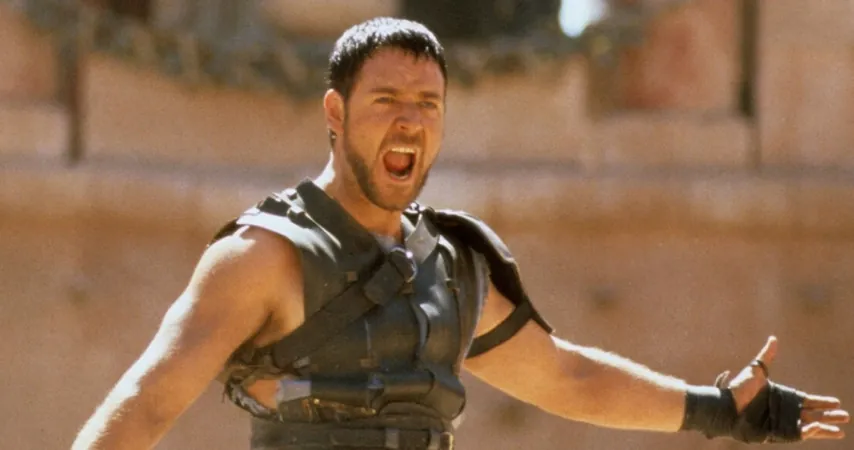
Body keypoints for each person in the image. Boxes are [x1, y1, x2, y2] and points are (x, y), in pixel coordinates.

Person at [72, 17, 849, 450]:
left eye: (428, 105)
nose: (410, 121)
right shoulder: (262, 257)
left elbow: (566, 378)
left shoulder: (448, 266)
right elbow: (145, 403)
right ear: (335, 113)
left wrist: (721, 408)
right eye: (387, 101)